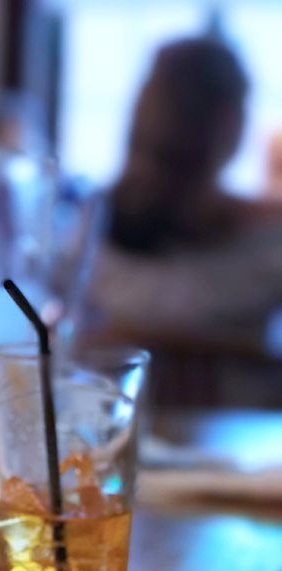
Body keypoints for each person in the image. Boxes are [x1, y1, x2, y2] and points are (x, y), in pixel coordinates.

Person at [87, 38, 282, 350]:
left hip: (115, 396)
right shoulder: (262, 259)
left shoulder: (90, 239)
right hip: (241, 398)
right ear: (231, 124)